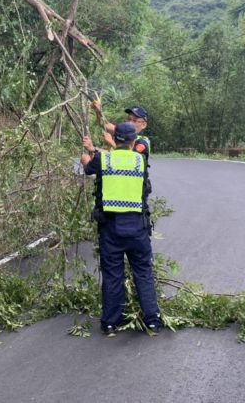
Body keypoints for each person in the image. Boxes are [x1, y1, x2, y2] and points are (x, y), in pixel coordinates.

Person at [81, 122, 161, 336]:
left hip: (111, 228)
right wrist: (94, 150)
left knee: (113, 275)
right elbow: (114, 159)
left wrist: (86, 155)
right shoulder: (140, 160)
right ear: (134, 141)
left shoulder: (104, 159)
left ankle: (110, 323)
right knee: (143, 272)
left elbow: (90, 167)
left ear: (114, 139)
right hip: (138, 228)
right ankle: (152, 320)